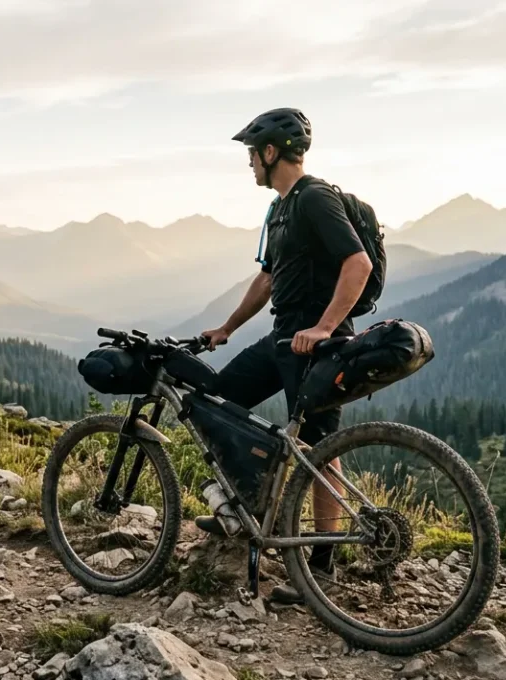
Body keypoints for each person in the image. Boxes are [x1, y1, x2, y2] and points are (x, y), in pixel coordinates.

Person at [198, 108, 373, 604]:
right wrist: (228, 327)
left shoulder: (315, 199)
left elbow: (356, 263)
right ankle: (244, 505)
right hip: (282, 341)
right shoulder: (280, 209)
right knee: (216, 401)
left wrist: (324, 327)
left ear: (270, 152)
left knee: (322, 450)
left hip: (318, 346)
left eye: (251, 154)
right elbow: (269, 278)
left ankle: (322, 568)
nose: (249, 164)